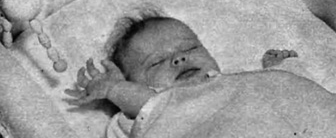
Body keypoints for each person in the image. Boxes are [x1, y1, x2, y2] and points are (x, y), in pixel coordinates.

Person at [64, 11, 298, 137]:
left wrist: (276, 72)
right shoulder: (153, 108)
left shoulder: (231, 85)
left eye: (190, 48)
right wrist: (114, 89)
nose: (179, 59)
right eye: (156, 63)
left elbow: (272, 98)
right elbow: (152, 106)